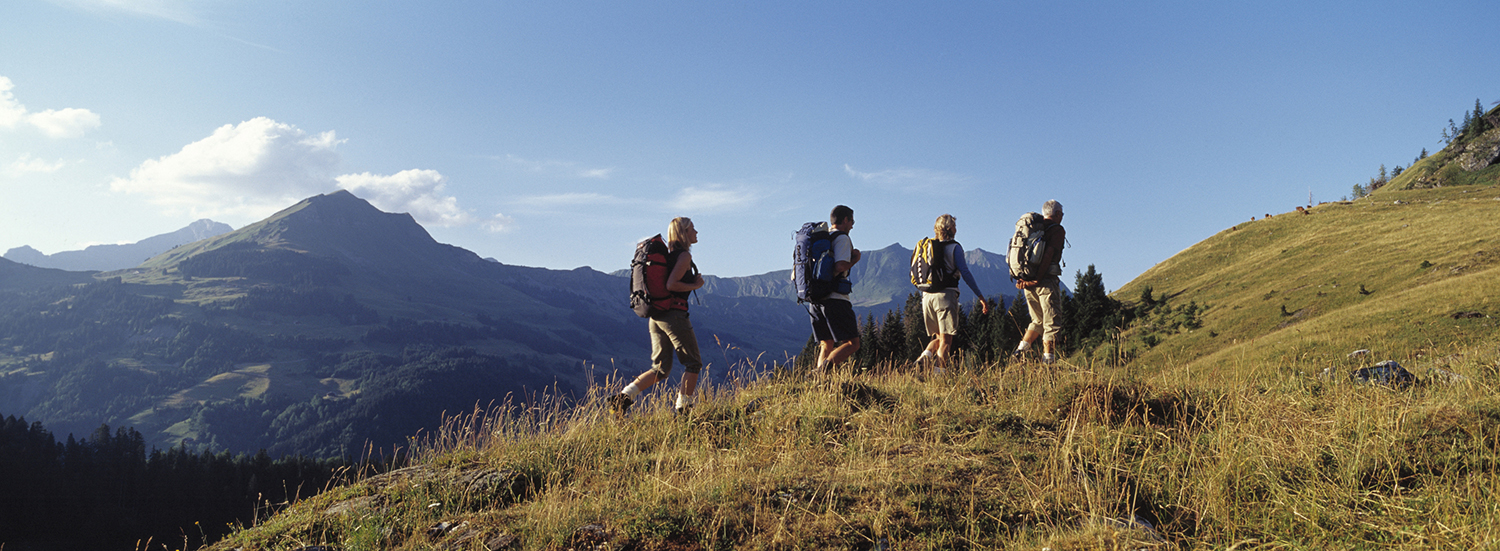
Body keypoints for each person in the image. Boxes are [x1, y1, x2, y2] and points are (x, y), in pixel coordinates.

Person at [610, 217, 706, 415]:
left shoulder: (668, 257)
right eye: (692, 229)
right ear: (684, 233)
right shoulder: (684, 257)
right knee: (693, 363)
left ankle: (623, 398)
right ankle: (683, 409)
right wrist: (695, 285)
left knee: (660, 369)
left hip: (657, 317)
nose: (696, 232)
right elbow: (671, 285)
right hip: (675, 316)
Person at [917, 214, 989, 372]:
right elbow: (965, 273)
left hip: (927, 296)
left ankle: (924, 357)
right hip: (946, 296)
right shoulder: (955, 247)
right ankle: (939, 375)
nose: (956, 229)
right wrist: (980, 296)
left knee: (938, 337)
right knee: (946, 341)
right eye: (954, 226)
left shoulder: (929, 247)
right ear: (950, 228)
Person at [807, 205, 862, 372]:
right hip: (835, 298)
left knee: (827, 342)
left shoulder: (820, 239)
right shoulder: (842, 238)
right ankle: (822, 371)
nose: (852, 225)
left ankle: (820, 383)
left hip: (815, 299)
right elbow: (840, 266)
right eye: (851, 221)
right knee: (853, 343)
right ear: (845, 220)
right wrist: (855, 259)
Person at [1013, 200, 1066, 364]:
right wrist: (1038, 278)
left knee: (1037, 321)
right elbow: (1049, 253)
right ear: (1057, 214)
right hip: (1045, 281)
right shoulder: (1057, 230)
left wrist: (1029, 280)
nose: (1062, 216)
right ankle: (1048, 362)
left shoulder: (1035, 229)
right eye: (1062, 213)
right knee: (1051, 323)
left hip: (1028, 281)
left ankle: (1021, 351)